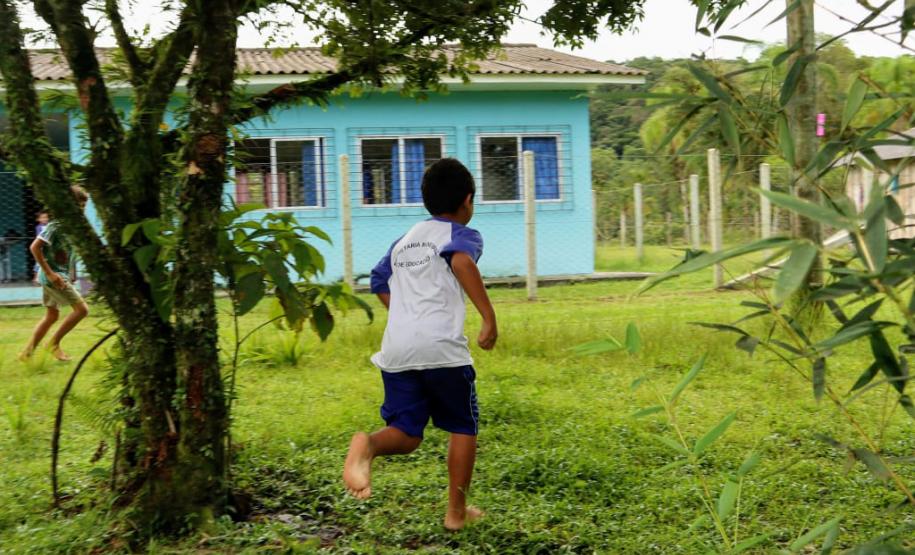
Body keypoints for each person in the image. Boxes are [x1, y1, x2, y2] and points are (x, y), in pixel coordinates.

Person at [343, 158, 498, 531]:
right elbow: (461, 262)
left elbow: (379, 280)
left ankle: (368, 445)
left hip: (397, 351)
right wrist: (489, 317)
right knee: (463, 425)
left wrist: (405, 316)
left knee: (408, 434)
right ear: (468, 200)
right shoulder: (461, 233)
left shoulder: (405, 239)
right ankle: (455, 514)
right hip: (442, 351)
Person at [19, 186, 90, 362]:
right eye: (78, 206)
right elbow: (34, 247)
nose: (81, 210)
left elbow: (70, 252)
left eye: (83, 207)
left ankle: (27, 353)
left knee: (52, 316)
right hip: (53, 276)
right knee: (82, 310)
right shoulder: (56, 225)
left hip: (59, 275)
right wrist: (50, 273)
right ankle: (53, 344)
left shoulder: (72, 227)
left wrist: (72, 272)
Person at [32, 210, 49, 285]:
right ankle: (35, 278)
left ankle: (44, 278)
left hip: (47, 247)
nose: (45, 219)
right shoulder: (39, 227)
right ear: (38, 219)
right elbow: (40, 237)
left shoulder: (49, 226)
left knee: (46, 262)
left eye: (46, 217)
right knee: (38, 263)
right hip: (40, 248)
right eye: (43, 217)